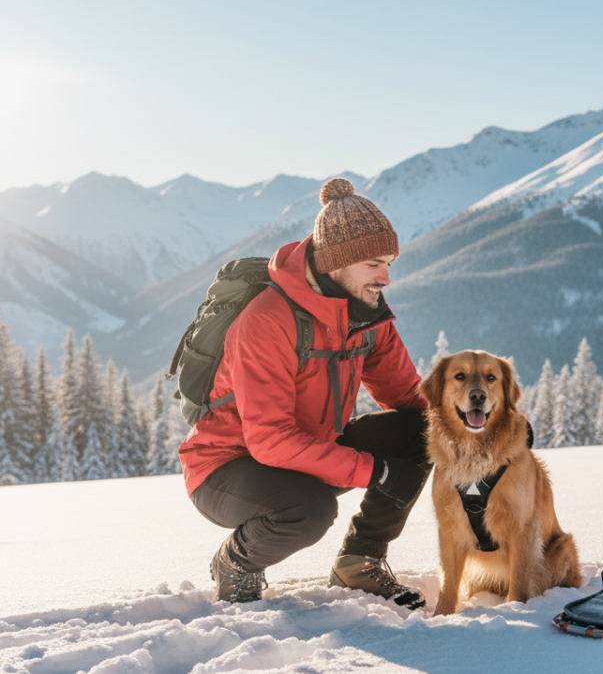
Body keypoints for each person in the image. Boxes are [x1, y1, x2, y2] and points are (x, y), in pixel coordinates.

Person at [177, 177, 430, 608]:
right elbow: (270, 439)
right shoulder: (267, 321)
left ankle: (359, 562)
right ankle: (236, 563)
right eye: (373, 263)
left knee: (425, 430)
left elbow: (411, 396)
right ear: (338, 262)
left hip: (308, 452)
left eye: (389, 262)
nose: (385, 277)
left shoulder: (366, 316)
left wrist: (483, 432)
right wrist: (379, 472)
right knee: (309, 511)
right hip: (226, 468)